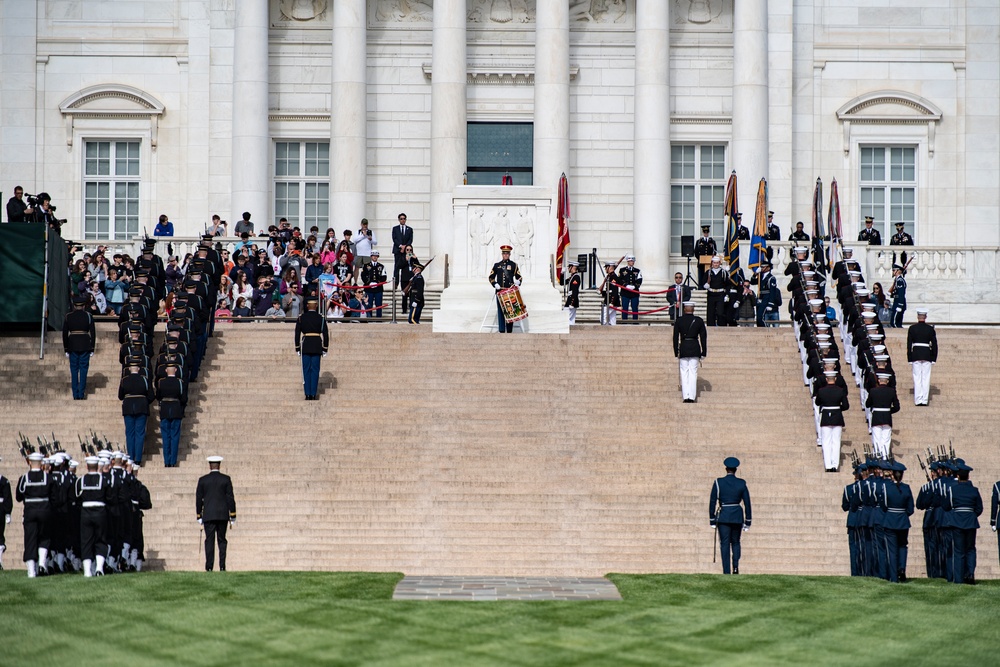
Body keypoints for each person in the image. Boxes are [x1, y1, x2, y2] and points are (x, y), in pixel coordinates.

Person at [16, 452, 58, 577]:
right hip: (45, 511)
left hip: (29, 512)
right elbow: (54, 497)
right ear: (41, 463)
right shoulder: (48, 478)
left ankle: (31, 570)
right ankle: (42, 563)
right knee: (44, 537)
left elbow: (18, 496)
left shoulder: (24, 478)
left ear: (30, 463)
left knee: (30, 539)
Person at [709, 456, 752, 575]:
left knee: (725, 544)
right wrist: (748, 520)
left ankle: (726, 571)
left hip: (724, 516)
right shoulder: (741, 483)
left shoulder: (718, 482)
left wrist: (712, 519)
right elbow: (747, 503)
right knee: (736, 542)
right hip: (737, 516)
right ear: (735, 470)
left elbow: (712, 501)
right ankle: (736, 567)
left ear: (726, 469)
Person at [941, 462, 982, 584]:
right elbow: (979, 508)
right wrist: (971, 515)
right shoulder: (974, 490)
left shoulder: (953, 490)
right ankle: (970, 574)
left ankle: (959, 578)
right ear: (968, 477)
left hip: (957, 521)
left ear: (958, 476)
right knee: (970, 549)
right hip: (970, 522)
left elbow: (946, 506)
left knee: (959, 551)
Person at [196, 456, 237, 572]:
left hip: (208, 515)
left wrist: (198, 514)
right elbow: (230, 498)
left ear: (210, 466)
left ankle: (209, 567)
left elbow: (199, 499)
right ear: (219, 466)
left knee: (209, 540)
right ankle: (222, 566)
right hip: (222, 515)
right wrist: (232, 514)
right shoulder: (226, 479)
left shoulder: (203, 480)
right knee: (222, 540)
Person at [74, 456, 113, 576]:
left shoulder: (80, 480)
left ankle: (87, 571)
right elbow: (110, 497)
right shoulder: (104, 480)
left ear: (87, 466)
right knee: (101, 539)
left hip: (85, 512)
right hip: (100, 512)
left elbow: (77, 496)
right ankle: (99, 568)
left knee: (86, 541)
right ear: (97, 466)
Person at [119, 356, 154, 464]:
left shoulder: (124, 380)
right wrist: (143, 401)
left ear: (129, 368)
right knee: (139, 433)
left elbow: (120, 396)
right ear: (138, 368)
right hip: (141, 407)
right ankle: (138, 459)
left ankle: (130, 458)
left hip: (128, 407)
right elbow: (151, 396)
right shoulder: (144, 379)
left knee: (130, 433)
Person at [63, 295, 96, 400]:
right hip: (85, 344)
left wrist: (66, 348)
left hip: (72, 344)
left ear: (74, 305)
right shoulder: (88, 316)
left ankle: (75, 394)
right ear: (83, 306)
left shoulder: (68, 316)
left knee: (74, 369)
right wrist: (92, 347)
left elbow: (64, 333)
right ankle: (81, 393)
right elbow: (93, 333)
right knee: (83, 369)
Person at [295, 296, 329, 400]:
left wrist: (297, 347)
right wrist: (325, 348)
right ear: (316, 306)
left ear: (307, 306)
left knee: (306, 370)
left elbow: (297, 334)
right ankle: (313, 394)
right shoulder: (321, 318)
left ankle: (308, 394)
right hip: (317, 345)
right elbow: (326, 334)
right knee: (315, 370)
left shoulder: (301, 317)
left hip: (305, 345)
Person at [815, 373, 849, 472]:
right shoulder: (840, 390)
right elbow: (846, 406)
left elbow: (817, 402)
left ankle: (828, 466)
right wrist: (838, 409)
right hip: (837, 416)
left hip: (826, 416)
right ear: (835, 378)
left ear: (826, 379)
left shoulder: (821, 391)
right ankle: (835, 465)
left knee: (826, 442)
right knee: (836, 441)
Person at [673, 301, 706, 403]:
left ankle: (685, 396)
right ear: (693, 309)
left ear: (684, 309)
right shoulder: (699, 320)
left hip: (684, 347)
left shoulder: (679, 321)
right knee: (693, 373)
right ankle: (691, 396)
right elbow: (703, 337)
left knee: (684, 373)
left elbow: (675, 337)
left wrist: (676, 351)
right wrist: (704, 351)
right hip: (695, 347)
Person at [156, 362, 187, 467]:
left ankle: (167, 461)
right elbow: (183, 398)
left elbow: (158, 396)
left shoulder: (161, 382)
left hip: (165, 409)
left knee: (166, 436)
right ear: (176, 370)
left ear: (165, 371)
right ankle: (173, 461)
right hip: (176, 409)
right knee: (174, 436)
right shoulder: (179, 382)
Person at [906, 308, 937, 406]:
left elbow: (909, 344)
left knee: (917, 377)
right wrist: (934, 357)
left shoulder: (912, 328)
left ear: (917, 316)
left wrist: (909, 357)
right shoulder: (930, 329)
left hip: (916, 354)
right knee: (925, 377)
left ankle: (918, 399)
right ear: (925, 317)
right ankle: (924, 400)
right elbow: (935, 344)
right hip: (927, 354)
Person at [865, 373, 900, 459]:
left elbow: (867, 404)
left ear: (879, 380)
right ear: (887, 381)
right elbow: (897, 407)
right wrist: (888, 411)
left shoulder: (873, 391)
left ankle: (877, 457)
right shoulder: (892, 391)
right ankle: (885, 457)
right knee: (886, 439)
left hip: (876, 416)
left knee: (877, 438)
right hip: (887, 417)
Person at [489, 245, 521, 333]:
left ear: (509, 254)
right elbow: (491, 277)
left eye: (507, 253)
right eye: (504, 253)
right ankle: (502, 330)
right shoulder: (497, 265)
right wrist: (494, 284)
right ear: (502, 254)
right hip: (500, 291)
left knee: (510, 311)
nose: (505, 255)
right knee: (501, 311)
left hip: (509, 291)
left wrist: (518, 282)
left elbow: (519, 277)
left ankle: (510, 330)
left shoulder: (514, 265)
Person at [361, 250, 387, 318]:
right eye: (373, 256)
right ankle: (369, 317)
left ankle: (379, 318)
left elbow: (384, 277)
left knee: (379, 304)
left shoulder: (381, 266)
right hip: (369, 288)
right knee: (369, 304)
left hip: (378, 288)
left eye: (376, 256)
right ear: (371, 256)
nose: (375, 257)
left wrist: (377, 283)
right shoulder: (366, 266)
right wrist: (369, 283)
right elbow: (363, 276)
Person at [755, 261, 781, 327]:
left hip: (766, 297)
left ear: (768, 268)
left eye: (763, 267)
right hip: (760, 297)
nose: (762, 268)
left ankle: (765, 330)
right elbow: (752, 281)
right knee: (758, 317)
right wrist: (755, 274)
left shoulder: (771, 278)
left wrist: (770, 304)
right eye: (761, 267)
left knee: (760, 317)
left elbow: (772, 292)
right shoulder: (760, 277)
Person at [703, 255, 727, 326]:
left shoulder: (724, 272)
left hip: (720, 294)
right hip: (711, 294)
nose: (716, 264)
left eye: (717, 263)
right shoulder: (708, 272)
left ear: (719, 263)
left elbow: (727, 284)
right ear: (712, 263)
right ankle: (710, 327)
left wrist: (727, 294)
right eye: (714, 263)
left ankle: (721, 327)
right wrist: (705, 285)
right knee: (710, 312)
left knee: (720, 312)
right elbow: (703, 282)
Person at [618, 254, 643, 321]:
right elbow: (619, 280)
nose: (632, 262)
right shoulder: (622, 270)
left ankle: (635, 321)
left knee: (635, 307)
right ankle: (624, 321)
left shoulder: (637, 271)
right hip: (625, 292)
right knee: (625, 308)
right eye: (631, 261)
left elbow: (639, 280)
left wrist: (635, 286)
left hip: (634, 292)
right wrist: (625, 285)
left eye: (633, 261)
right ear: (628, 261)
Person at [392, 213, 414, 286]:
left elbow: (410, 240)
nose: (403, 220)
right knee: (397, 266)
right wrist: (400, 246)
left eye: (404, 218)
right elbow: (394, 239)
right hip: (397, 250)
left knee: (408, 264)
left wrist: (405, 247)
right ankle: (396, 282)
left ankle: (407, 280)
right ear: (399, 220)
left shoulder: (409, 229)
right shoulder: (395, 228)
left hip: (407, 251)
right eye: (401, 219)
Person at [888, 263, 907, 328]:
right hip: (896, 302)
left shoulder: (900, 281)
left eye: (894, 270)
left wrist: (900, 305)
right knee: (896, 323)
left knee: (894, 323)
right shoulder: (897, 280)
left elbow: (901, 294)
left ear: (898, 271)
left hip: (898, 303)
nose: (893, 272)